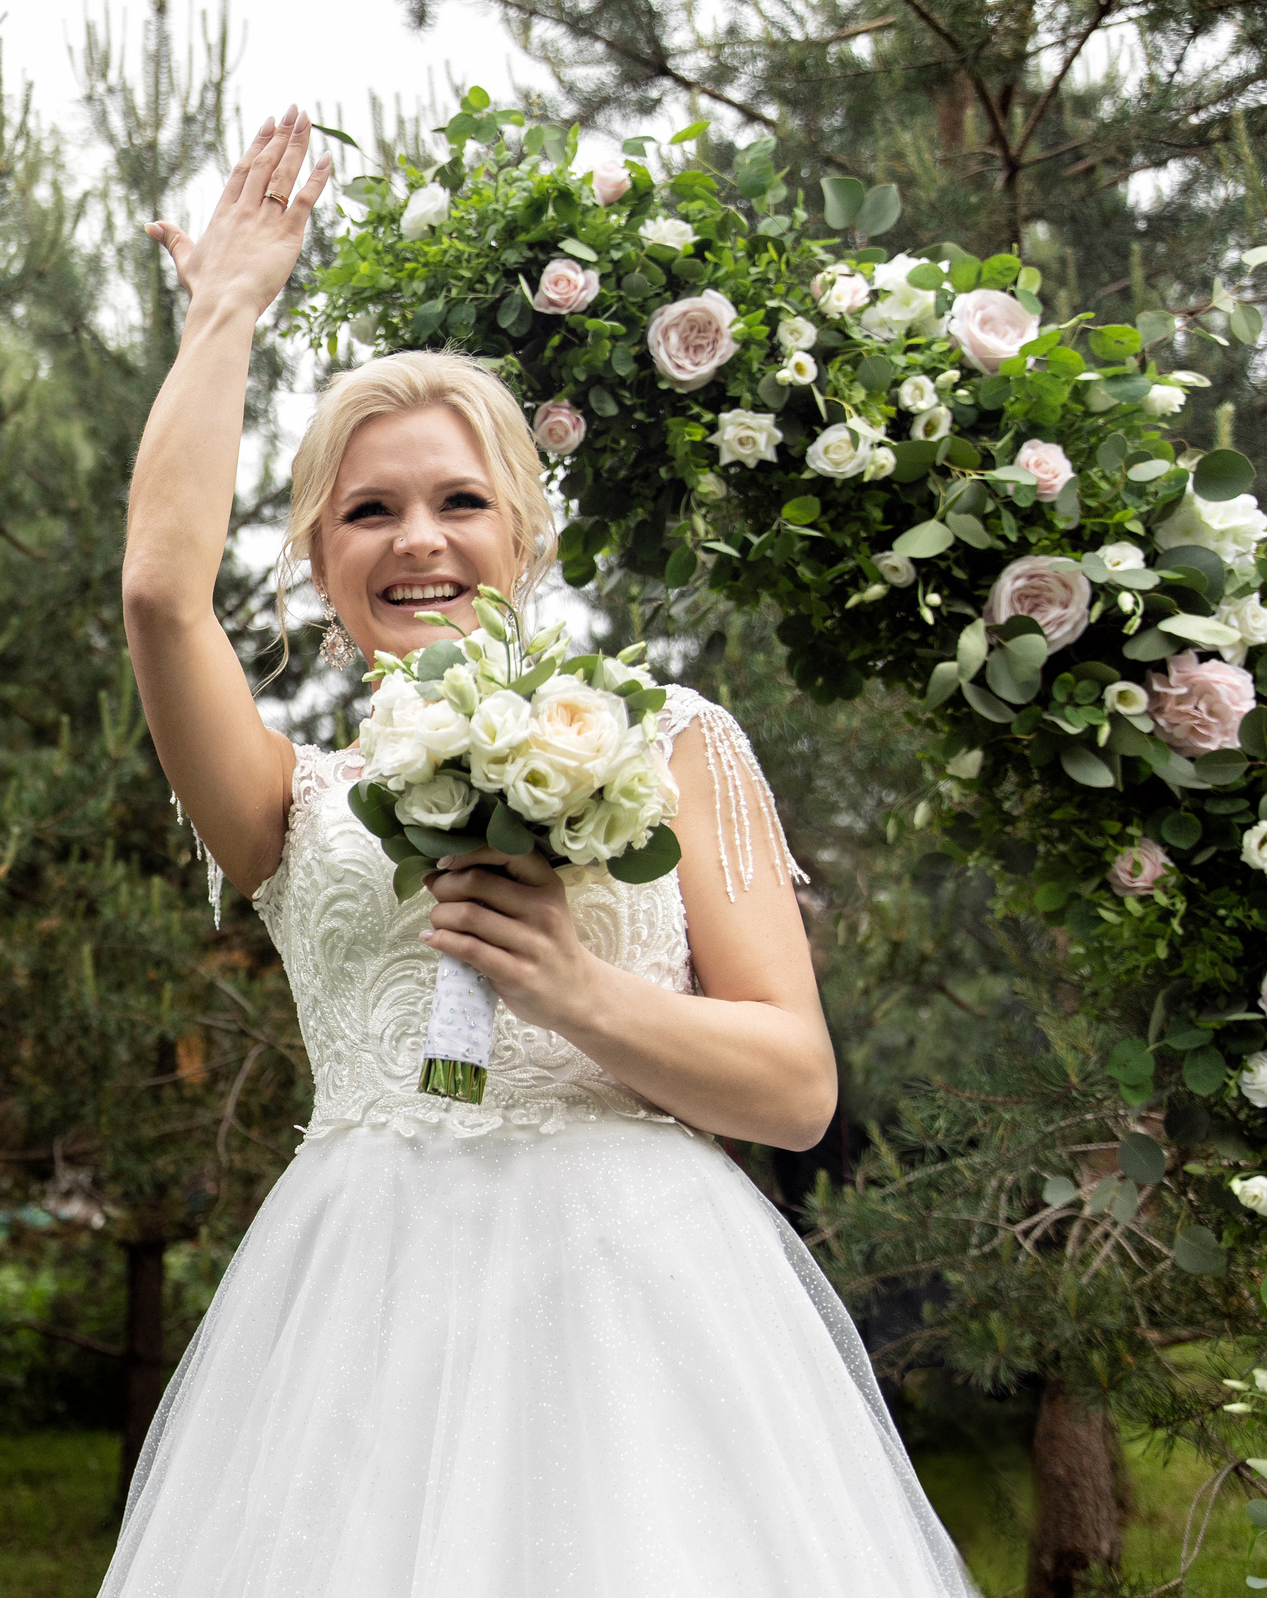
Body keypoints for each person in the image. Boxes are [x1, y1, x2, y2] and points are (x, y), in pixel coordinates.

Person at [102, 110, 975, 1594]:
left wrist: (579, 992)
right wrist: (231, 308)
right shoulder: (285, 798)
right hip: (356, 1321)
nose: (418, 539)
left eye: (460, 501)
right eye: (366, 510)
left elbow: (796, 1084)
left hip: (647, 1322)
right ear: (318, 560)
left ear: (531, 532)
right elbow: (159, 597)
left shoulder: (681, 741)